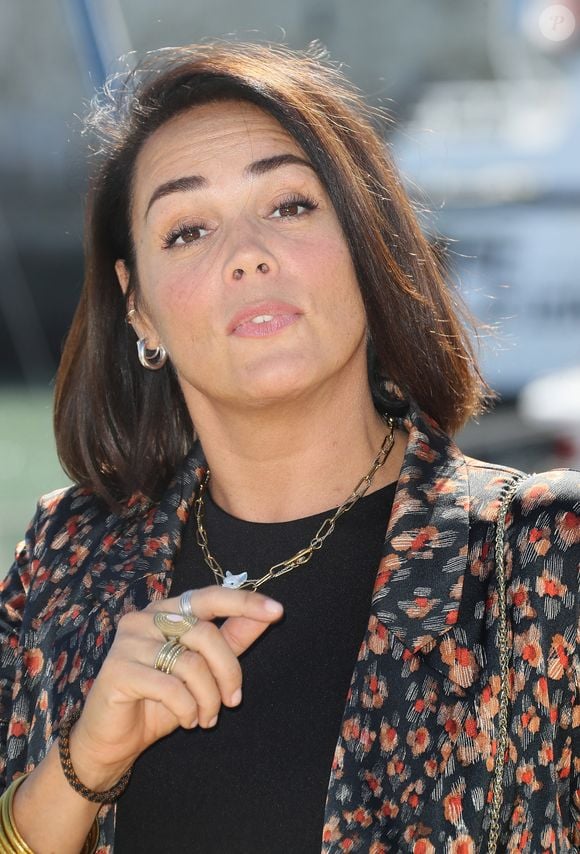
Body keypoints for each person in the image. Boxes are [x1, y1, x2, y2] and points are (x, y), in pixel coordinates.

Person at [0, 41, 578, 854]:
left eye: (291, 206)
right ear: (139, 311)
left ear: (367, 244)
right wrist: (82, 764)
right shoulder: (66, 560)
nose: (247, 254)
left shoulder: (540, 559)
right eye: (189, 229)